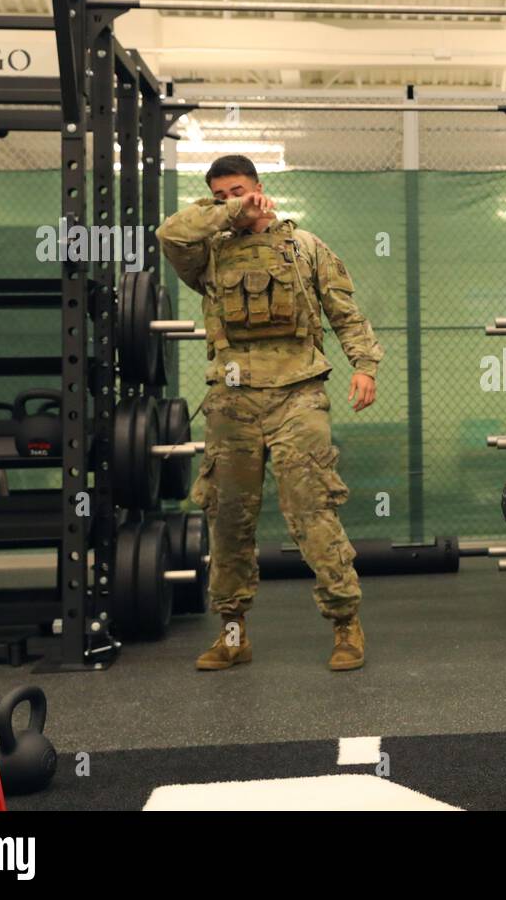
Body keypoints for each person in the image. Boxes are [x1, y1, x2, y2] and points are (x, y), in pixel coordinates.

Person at [156, 154, 384, 673]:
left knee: (311, 510)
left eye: (238, 190)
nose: (230, 201)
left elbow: (345, 314)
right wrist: (226, 212)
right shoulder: (209, 253)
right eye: (219, 196)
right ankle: (233, 634)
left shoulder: (303, 247)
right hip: (232, 402)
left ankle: (345, 623)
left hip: (297, 396)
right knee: (229, 519)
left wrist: (365, 366)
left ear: (261, 187)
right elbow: (170, 233)